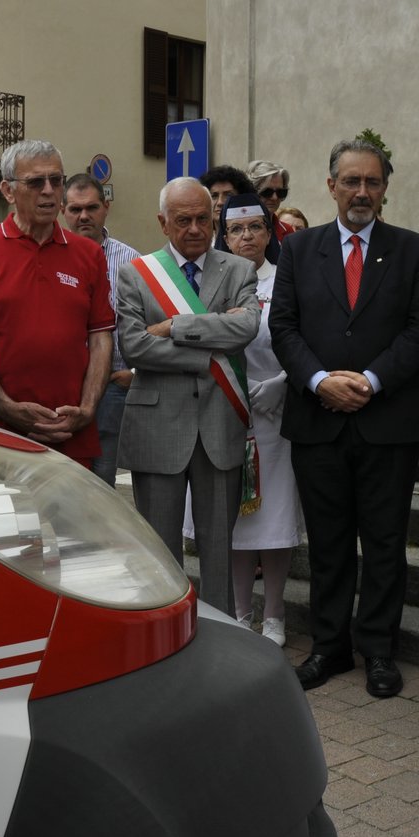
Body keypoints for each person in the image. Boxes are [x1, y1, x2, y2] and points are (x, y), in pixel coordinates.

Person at [270, 137, 419, 699]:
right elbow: (284, 328)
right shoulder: (297, 251)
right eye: (351, 181)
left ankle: (380, 650)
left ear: (385, 188)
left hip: (388, 421)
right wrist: (320, 381)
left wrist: (370, 380)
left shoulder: (413, 250)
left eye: (372, 182)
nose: (361, 192)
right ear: (331, 185)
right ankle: (329, 646)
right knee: (329, 542)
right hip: (318, 422)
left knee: (386, 541)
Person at [115, 177, 259, 615]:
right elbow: (135, 346)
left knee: (219, 548)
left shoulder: (239, 269)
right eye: (183, 220)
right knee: (159, 546)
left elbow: (246, 328)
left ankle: (222, 635)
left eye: (204, 218)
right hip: (157, 427)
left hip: (220, 425)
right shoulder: (136, 274)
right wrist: (207, 352)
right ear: (163, 223)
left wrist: (175, 327)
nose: (196, 228)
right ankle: (167, 631)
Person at [0, 140, 113, 466]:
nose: (50, 191)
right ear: (7, 190)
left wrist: (87, 409)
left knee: (71, 519)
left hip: (72, 434)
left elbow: (100, 337)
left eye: (57, 181)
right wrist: (7, 407)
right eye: (36, 182)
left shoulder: (88, 253)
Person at [221, 190, 300, 645]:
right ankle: (238, 610)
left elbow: (303, 336)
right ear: (225, 235)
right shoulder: (215, 281)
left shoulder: (285, 279)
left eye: (254, 227)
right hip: (228, 415)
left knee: (274, 519)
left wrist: (282, 384)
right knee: (232, 519)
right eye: (236, 228)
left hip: (276, 416)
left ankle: (274, 612)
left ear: (269, 232)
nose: (246, 236)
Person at [62, 174, 141, 487]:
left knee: (100, 481)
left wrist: (135, 371)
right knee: (61, 478)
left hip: (111, 387)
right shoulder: (54, 255)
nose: (84, 216)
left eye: (92, 207)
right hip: (62, 386)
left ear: (106, 207)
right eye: (75, 209)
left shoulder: (131, 261)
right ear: (62, 210)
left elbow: (145, 322)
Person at [246, 160, 297, 243]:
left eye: (280, 192)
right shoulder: (237, 232)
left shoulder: (288, 231)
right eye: (267, 192)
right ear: (252, 191)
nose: (274, 197)